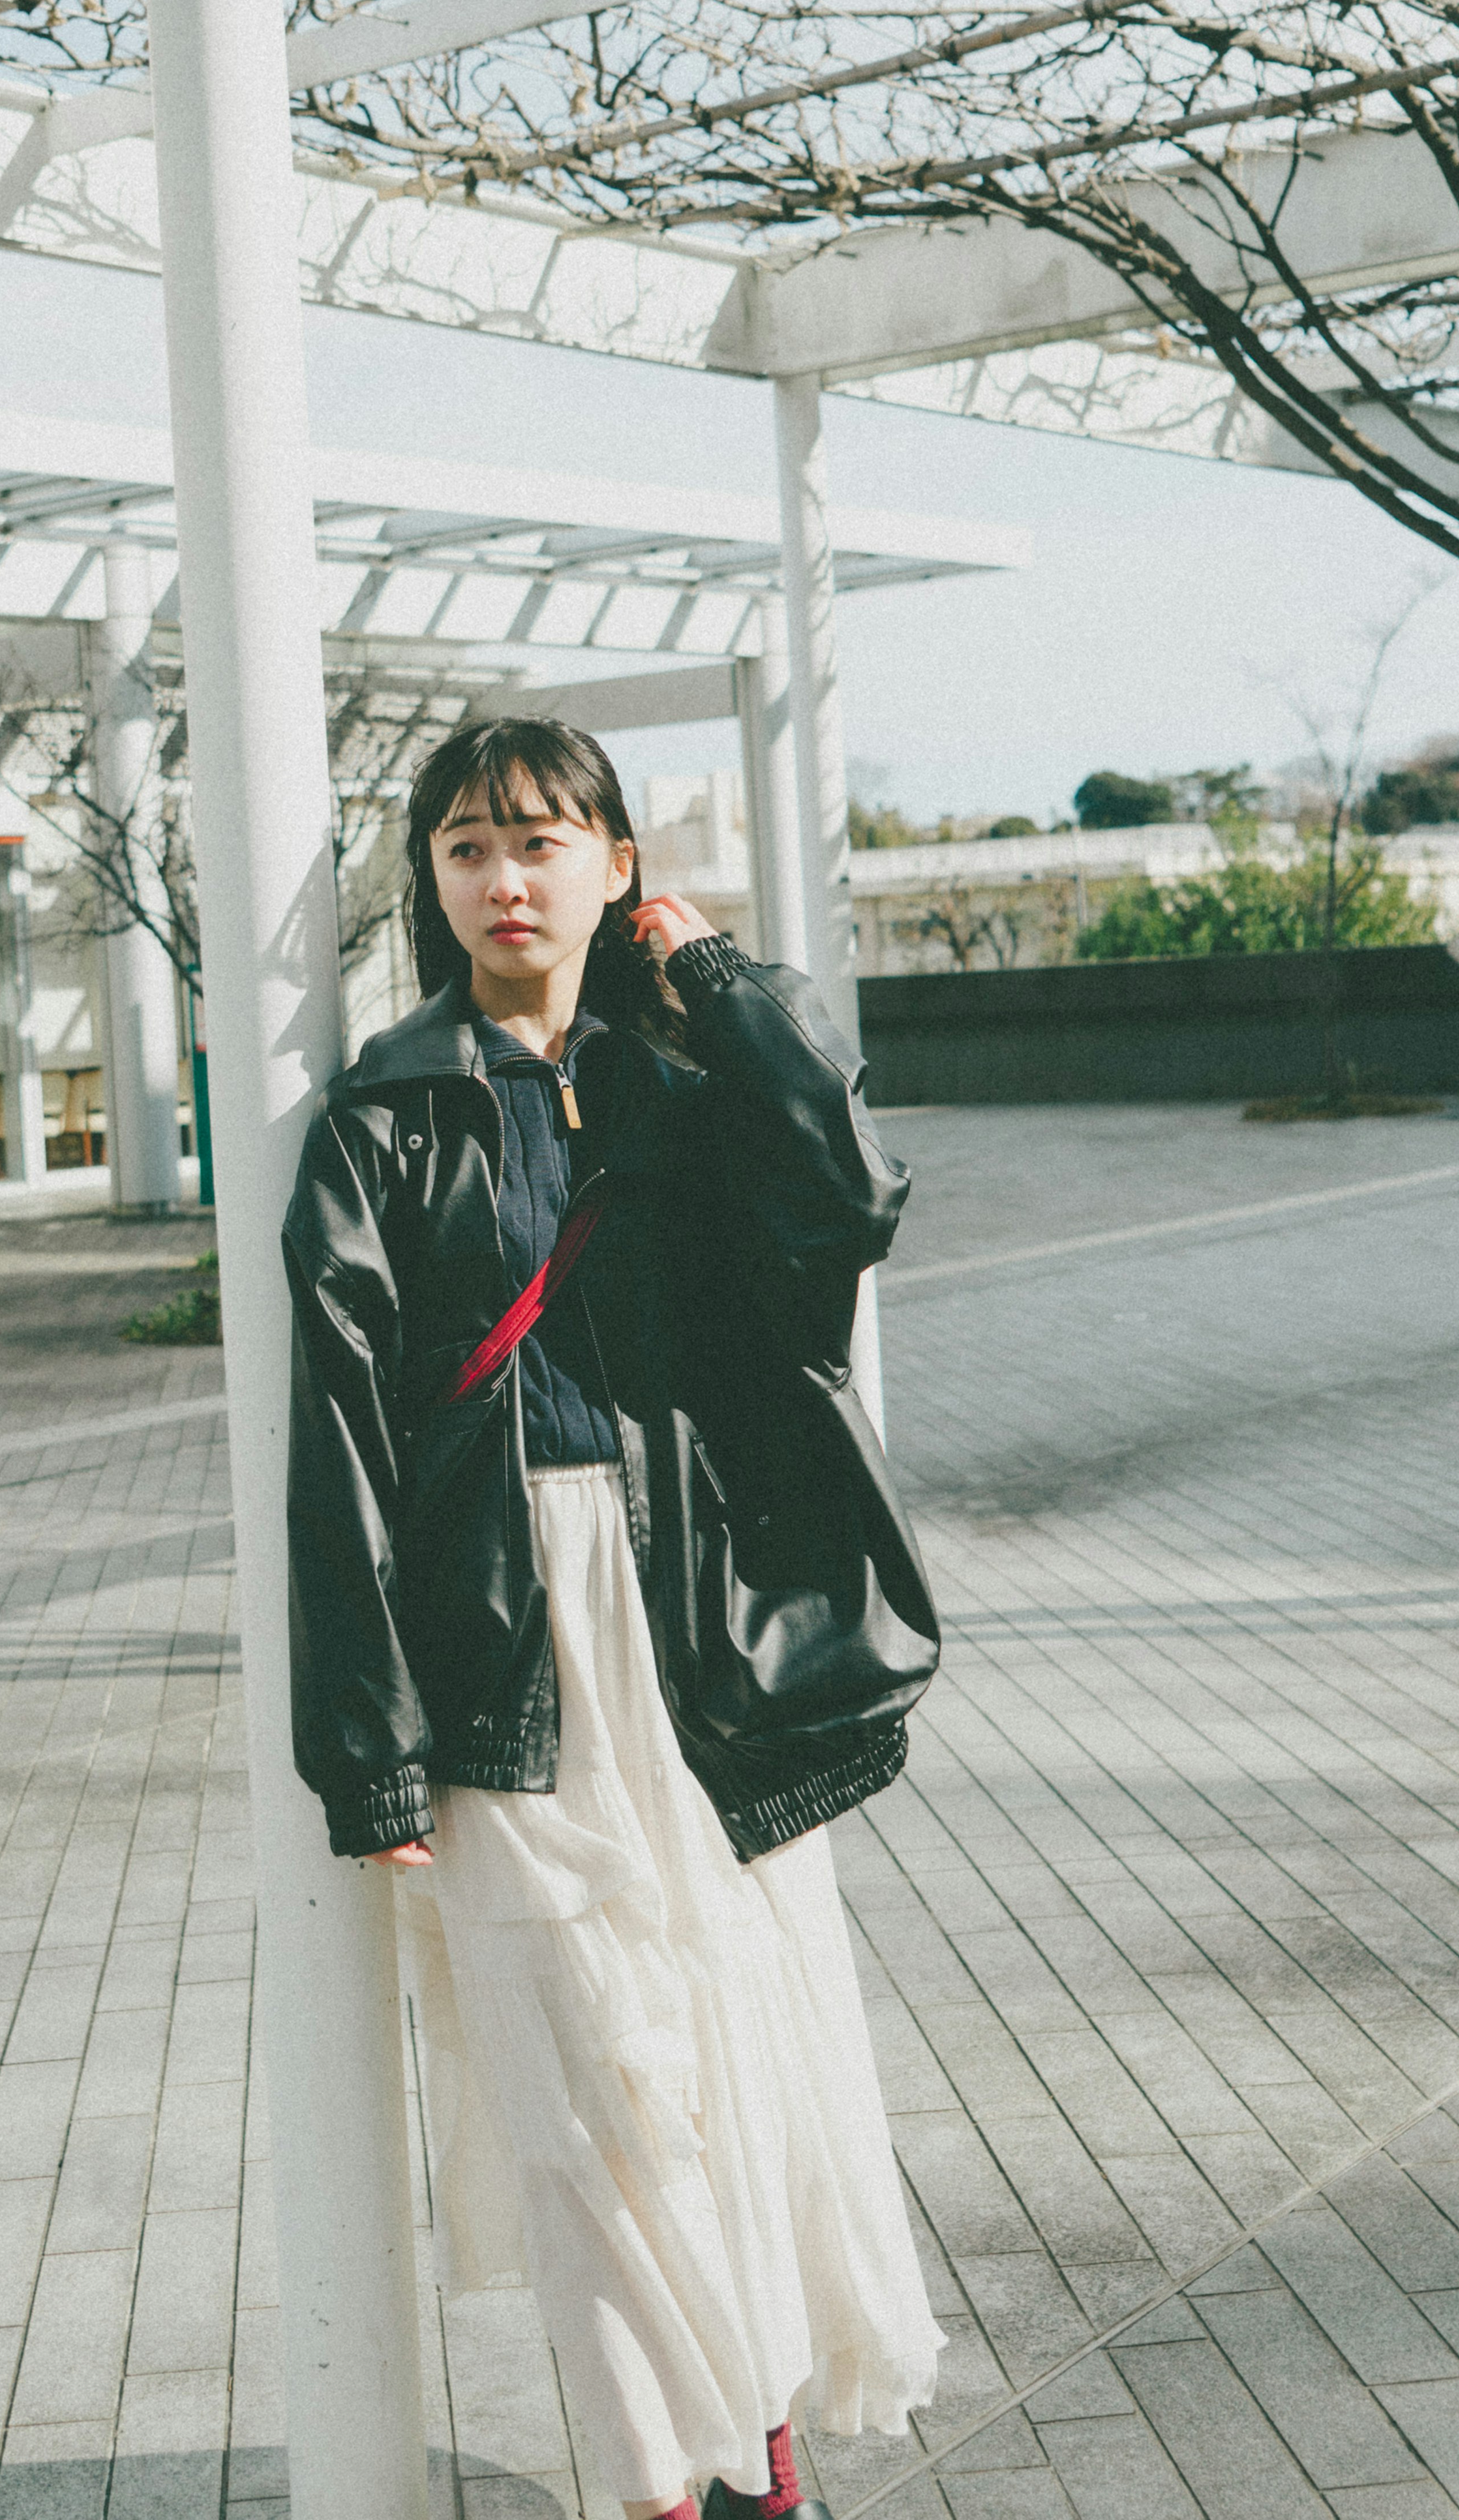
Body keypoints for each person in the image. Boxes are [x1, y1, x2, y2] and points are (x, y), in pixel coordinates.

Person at [285, 718, 944, 2520]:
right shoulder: (386, 1114)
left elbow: (847, 1195)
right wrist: (375, 1748)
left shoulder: (684, 1085)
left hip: (701, 1627)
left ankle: (761, 2450)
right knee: (588, 2086)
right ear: (430, 883)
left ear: (616, 862)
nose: (509, 878)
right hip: (504, 1638)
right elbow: (333, 1450)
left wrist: (714, 976)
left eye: (547, 840)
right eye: (470, 847)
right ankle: (668, 2479)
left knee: (749, 2044)